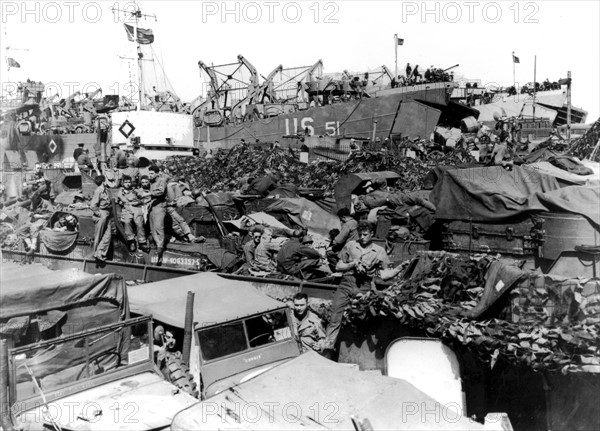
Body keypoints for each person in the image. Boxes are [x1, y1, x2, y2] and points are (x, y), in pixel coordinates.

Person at [322, 221, 406, 355]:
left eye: (365, 235)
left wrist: (399, 268)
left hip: (364, 286)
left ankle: (362, 350)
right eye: (360, 234)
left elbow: (384, 275)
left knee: (364, 316)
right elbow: (339, 266)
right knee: (335, 316)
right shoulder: (350, 245)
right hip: (346, 283)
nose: (361, 237)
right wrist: (354, 263)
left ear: (372, 234)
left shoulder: (379, 251)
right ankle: (327, 349)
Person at [117, 175, 148, 252]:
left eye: (129, 182)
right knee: (127, 222)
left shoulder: (135, 190)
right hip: (126, 208)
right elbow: (119, 199)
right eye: (126, 182)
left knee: (139, 223)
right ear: (122, 183)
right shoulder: (121, 191)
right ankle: (131, 241)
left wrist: (139, 201)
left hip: (136, 207)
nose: (127, 184)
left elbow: (143, 198)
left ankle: (142, 242)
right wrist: (122, 201)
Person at [90, 175, 113, 263]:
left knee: (108, 235)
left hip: (107, 214)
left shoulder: (106, 190)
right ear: (103, 181)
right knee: (98, 236)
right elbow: (93, 205)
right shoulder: (99, 191)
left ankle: (100, 253)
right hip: (102, 214)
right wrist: (99, 214)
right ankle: (94, 255)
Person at [147, 166, 167, 263]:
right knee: (153, 228)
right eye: (149, 173)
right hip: (152, 207)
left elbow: (161, 191)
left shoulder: (162, 180)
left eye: (151, 173)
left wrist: (148, 194)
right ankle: (157, 247)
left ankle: (160, 248)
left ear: (157, 173)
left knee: (159, 227)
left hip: (160, 207)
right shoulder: (151, 182)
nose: (150, 175)